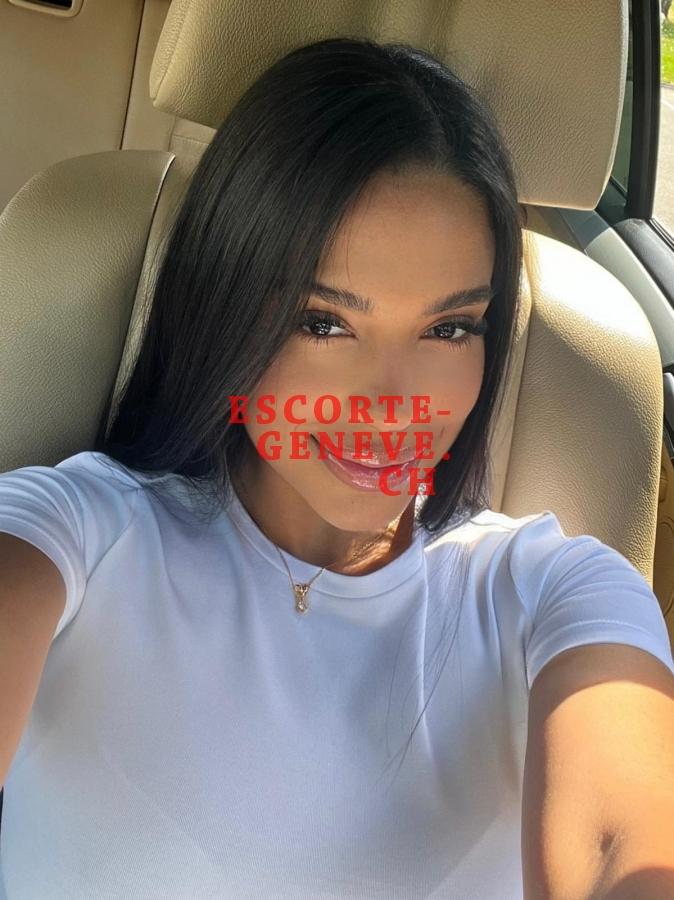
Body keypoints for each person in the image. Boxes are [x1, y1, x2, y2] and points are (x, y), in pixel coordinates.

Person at [0, 36, 672, 900]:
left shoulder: (556, 592)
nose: (392, 406)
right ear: (226, 309)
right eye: (323, 323)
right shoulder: (76, 530)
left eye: (449, 329)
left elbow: (624, 847)